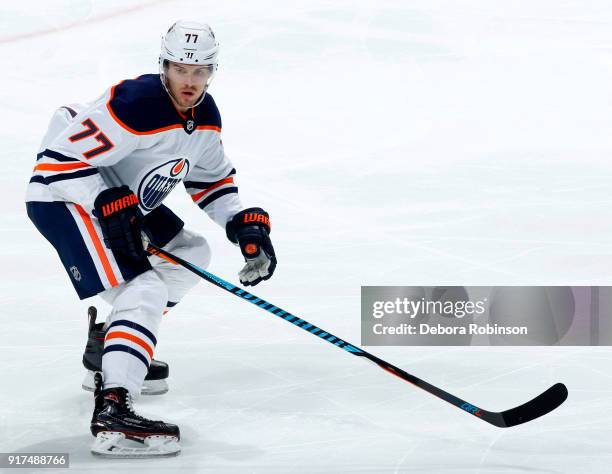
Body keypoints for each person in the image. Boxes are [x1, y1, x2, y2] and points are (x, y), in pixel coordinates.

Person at [25, 20, 277, 458]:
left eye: (200, 71)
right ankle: (114, 410)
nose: (190, 80)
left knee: (190, 253)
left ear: (212, 71)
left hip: (120, 202)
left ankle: (110, 347)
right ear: (164, 65)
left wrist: (242, 224)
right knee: (144, 288)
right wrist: (103, 198)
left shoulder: (206, 117)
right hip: (64, 197)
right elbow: (56, 162)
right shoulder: (136, 104)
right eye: (181, 68)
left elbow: (211, 180)